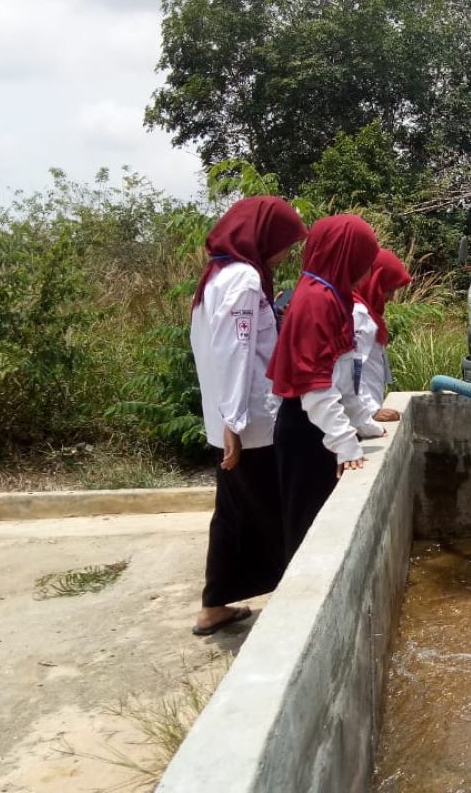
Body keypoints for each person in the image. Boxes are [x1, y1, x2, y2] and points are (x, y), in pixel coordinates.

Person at [188, 196, 307, 636]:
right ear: (263, 238)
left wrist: (224, 419)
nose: (285, 254)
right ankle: (293, 603)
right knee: (273, 509)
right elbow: (235, 352)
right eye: (283, 245)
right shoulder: (242, 279)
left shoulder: (217, 277)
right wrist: (234, 421)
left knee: (233, 510)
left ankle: (214, 604)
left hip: (231, 418)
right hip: (251, 422)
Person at [266, 214, 379, 558]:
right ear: (346, 256)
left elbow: (343, 375)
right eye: (363, 261)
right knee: (309, 534)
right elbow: (314, 385)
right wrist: (345, 442)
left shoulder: (333, 296)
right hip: (306, 429)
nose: (366, 272)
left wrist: (362, 423)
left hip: (319, 426)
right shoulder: (316, 301)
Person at [352, 248, 413, 424]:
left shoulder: (367, 314)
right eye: (389, 289)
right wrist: (371, 411)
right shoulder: (358, 315)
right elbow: (352, 370)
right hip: (361, 418)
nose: (392, 297)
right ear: (374, 282)